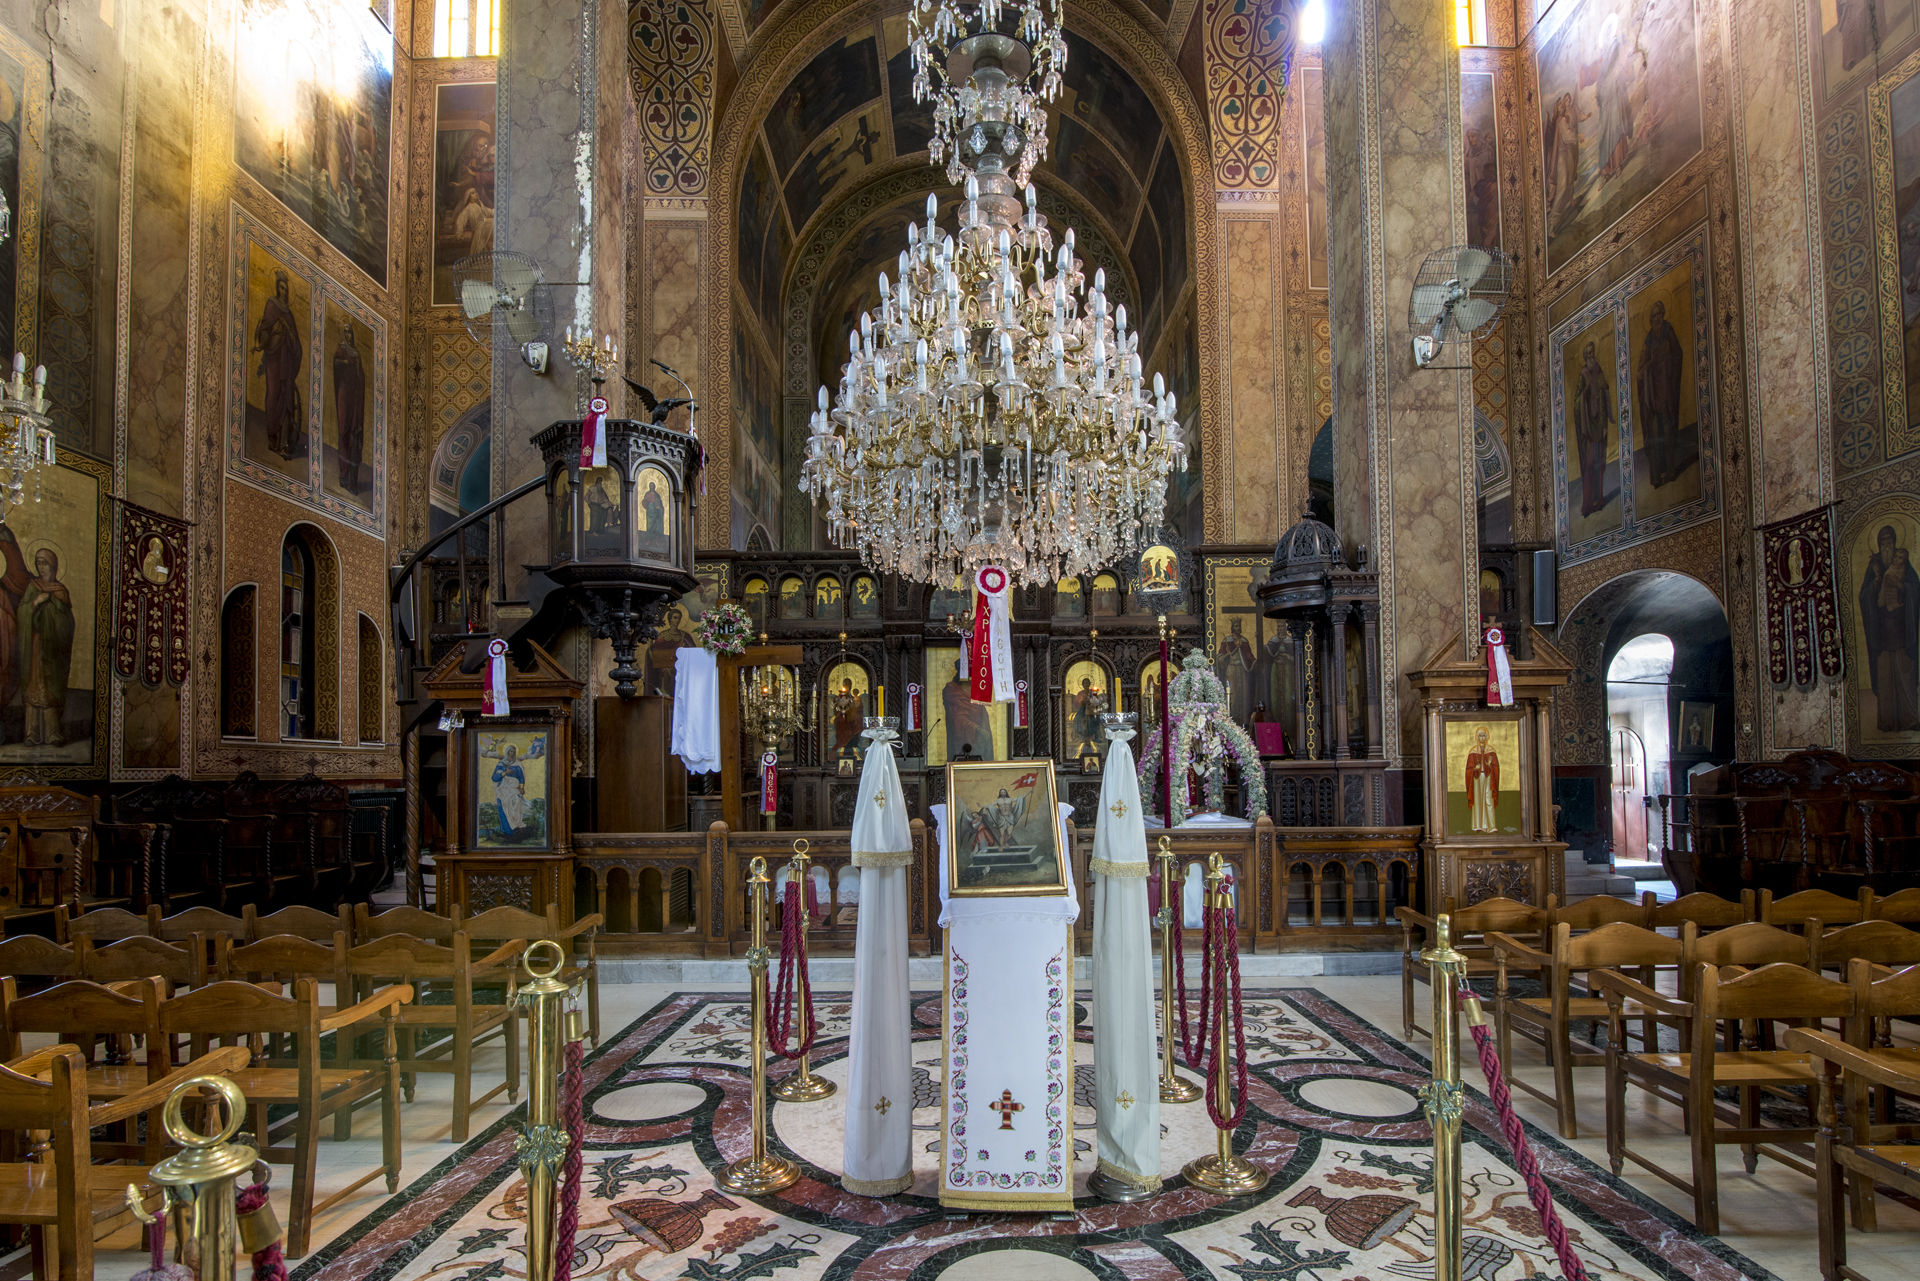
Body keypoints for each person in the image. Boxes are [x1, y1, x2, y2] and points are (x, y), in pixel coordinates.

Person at [1860, 524, 1920, 732]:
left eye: (1889, 540)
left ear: (1895, 542)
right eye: (1883, 541)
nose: (1887, 544)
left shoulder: (1903, 561)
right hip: (1882, 630)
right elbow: (1864, 594)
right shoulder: (1875, 563)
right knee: (1885, 672)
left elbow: (1915, 586)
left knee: (1905, 669)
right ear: (1879, 543)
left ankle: (1910, 718)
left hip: (1902, 628)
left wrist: (1904, 588)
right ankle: (1886, 720)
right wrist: (1875, 583)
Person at [19, 549, 73, 747]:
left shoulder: (60, 591)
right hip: (35, 646)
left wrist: (52, 605)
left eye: (45, 563)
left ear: (53, 566)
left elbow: (68, 623)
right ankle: (31, 733)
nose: (41, 568)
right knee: (34, 685)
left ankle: (52, 733)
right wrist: (35, 603)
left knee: (50, 687)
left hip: (52, 649)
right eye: (38, 563)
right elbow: (21, 611)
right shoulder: (33, 587)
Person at [252, 271, 304, 457]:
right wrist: (262, 344)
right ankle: (272, 439)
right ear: (277, 288)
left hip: (286, 361)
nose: (284, 292)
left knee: (286, 397)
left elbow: (297, 343)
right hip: (274, 358)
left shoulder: (289, 314)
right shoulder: (271, 305)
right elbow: (265, 328)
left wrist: (290, 337)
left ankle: (284, 444)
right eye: (282, 288)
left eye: (286, 289)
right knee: (273, 395)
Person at [1636, 299, 1685, 487]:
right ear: (1650, 319)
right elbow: (1640, 373)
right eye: (1654, 315)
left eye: (1659, 314)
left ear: (1663, 315)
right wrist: (1650, 364)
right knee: (1654, 437)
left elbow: (1678, 354)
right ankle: (1656, 477)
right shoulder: (1648, 342)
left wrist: (1667, 361)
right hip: (1652, 399)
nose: (1657, 318)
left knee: (1669, 433)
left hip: (1667, 393)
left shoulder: (1668, 332)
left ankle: (1671, 470)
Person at [1574, 341, 1613, 517]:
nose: (1591, 355)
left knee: (1600, 462)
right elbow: (1576, 403)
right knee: (1589, 464)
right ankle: (1588, 504)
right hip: (1588, 428)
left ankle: (1599, 499)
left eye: (1592, 352)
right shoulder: (1583, 376)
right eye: (1588, 353)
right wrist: (1584, 394)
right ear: (1585, 356)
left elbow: (1605, 390)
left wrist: (1601, 389)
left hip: (1600, 423)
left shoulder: (1599, 371)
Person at [333, 318, 367, 494]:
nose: (348, 335)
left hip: (355, 398)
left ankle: (352, 481)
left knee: (355, 435)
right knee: (344, 432)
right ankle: (344, 475)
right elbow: (335, 363)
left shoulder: (357, 354)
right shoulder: (341, 350)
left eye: (349, 332)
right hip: (344, 394)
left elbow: (361, 377)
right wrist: (344, 363)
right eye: (345, 332)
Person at [942, 659, 995, 761]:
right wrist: (977, 729)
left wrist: (984, 729)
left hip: (979, 739)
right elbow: (957, 717)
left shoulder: (976, 688)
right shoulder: (952, 690)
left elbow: (982, 713)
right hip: (960, 739)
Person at [1215, 616, 1256, 724]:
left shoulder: (1244, 641)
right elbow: (1219, 658)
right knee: (1232, 694)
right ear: (1232, 627)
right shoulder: (1227, 641)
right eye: (1236, 626)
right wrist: (1226, 656)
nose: (1238, 628)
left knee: (1244, 695)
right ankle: (1231, 721)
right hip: (1231, 669)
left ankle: (1245, 721)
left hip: (1243, 670)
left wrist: (1256, 663)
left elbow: (1249, 657)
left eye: (1239, 626)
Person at [1465, 725, 1500, 833]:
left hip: (1489, 778)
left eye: (1484, 736)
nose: (1482, 738)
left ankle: (1491, 826)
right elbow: (1468, 769)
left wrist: (1490, 766)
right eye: (1480, 736)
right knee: (1477, 800)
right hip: (1476, 779)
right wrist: (1474, 768)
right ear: (1477, 737)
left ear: (1487, 736)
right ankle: (1478, 825)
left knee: (1489, 800)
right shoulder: (1473, 751)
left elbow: (1496, 767)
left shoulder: (1491, 751)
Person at [491, 742, 527, 838]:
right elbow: (494, 778)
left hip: (514, 789)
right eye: (511, 751)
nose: (513, 753)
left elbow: (521, 777)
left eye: (514, 751)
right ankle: (507, 830)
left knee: (517, 803)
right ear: (507, 752)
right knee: (504, 806)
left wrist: (522, 787)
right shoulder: (500, 764)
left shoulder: (518, 764)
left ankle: (516, 826)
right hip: (503, 790)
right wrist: (505, 773)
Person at [1070, 675, 1106, 756]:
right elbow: (1076, 704)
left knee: (1096, 719)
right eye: (1085, 683)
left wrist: (1093, 702)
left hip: (1091, 710)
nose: (1086, 685)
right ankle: (1081, 737)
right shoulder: (1080, 693)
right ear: (1082, 684)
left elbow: (1096, 701)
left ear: (1089, 684)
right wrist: (1081, 701)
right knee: (1078, 719)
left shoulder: (1091, 693)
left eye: (1087, 683)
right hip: (1082, 710)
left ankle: (1095, 737)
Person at [831, 677, 865, 759]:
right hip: (842, 716)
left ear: (851, 685)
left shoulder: (855, 698)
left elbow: (859, 709)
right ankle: (842, 742)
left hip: (852, 717)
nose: (846, 685)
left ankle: (853, 742)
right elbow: (836, 709)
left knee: (857, 720)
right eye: (845, 684)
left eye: (848, 684)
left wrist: (853, 708)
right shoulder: (838, 698)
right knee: (840, 720)